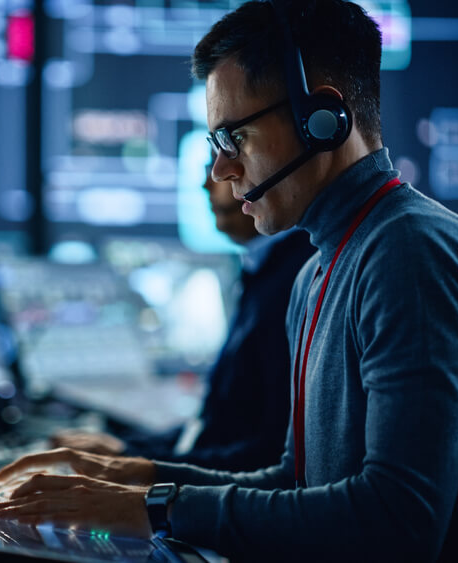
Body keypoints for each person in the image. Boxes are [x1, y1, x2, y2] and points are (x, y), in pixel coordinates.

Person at [0, 1, 458, 561]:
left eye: (234, 139)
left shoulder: (411, 258)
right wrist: (137, 476)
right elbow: (299, 483)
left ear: (322, 118)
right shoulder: (321, 268)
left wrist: (156, 509)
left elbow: (397, 521)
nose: (221, 171)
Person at [52, 166, 315, 472]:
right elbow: (219, 430)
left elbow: (267, 457)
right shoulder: (265, 270)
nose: (207, 183)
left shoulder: (297, 279)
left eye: (231, 156)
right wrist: (130, 451)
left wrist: (137, 467)